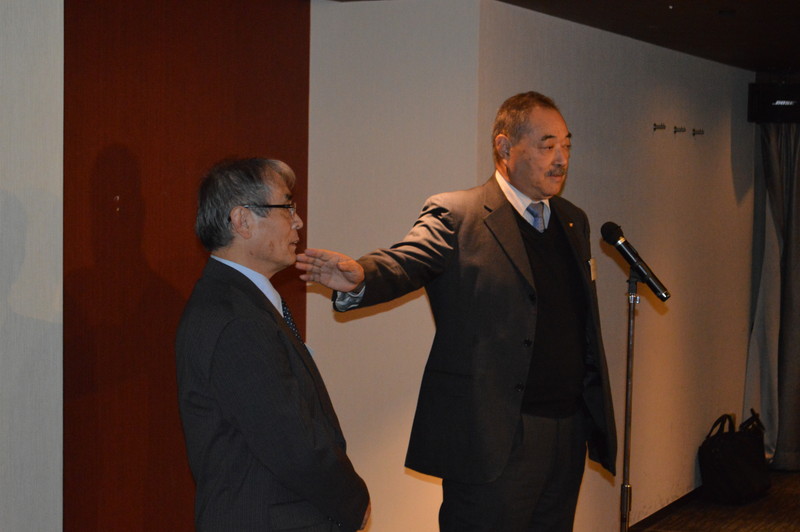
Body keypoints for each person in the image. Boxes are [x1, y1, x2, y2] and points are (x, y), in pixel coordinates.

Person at [296, 91, 616, 531]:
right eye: (547, 145)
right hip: (495, 434)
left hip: (566, 430)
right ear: (504, 147)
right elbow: (406, 261)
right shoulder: (458, 215)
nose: (561, 159)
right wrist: (362, 275)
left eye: (566, 145)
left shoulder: (572, 220)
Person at [176, 158, 370, 531]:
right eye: (287, 207)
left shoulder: (238, 302)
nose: (298, 222)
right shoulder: (236, 318)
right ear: (242, 221)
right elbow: (290, 442)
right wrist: (352, 501)